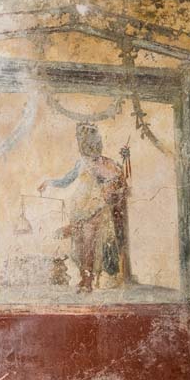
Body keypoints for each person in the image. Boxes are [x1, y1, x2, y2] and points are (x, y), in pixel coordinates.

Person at [38, 122, 129, 292]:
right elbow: (67, 180)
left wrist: (110, 181)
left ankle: (88, 282)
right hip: (79, 210)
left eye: (84, 140)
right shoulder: (81, 163)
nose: (83, 144)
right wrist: (49, 182)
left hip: (95, 209)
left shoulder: (104, 163)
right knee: (79, 246)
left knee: (89, 247)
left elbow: (117, 179)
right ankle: (83, 278)